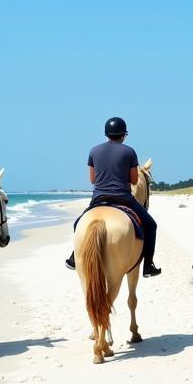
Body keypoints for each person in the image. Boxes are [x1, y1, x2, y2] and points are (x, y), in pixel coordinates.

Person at [65, 117, 161, 277]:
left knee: (78, 223)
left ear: (106, 134)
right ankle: (148, 265)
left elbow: (93, 179)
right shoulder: (129, 152)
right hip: (124, 199)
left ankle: (74, 257)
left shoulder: (94, 151)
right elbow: (134, 180)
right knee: (151, 226)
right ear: (124, 134)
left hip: (98, 200)